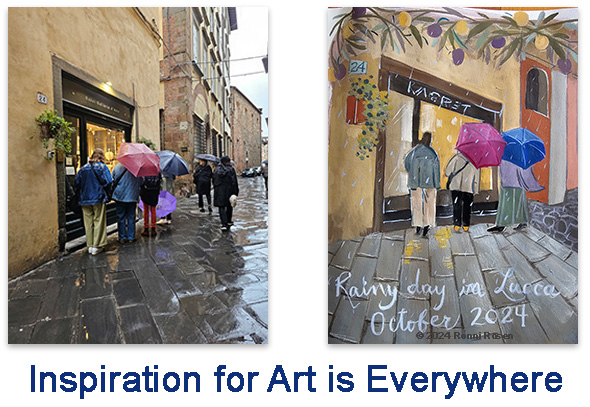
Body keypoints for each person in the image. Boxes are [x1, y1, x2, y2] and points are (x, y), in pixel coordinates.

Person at [487, 160, 544, 233]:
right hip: (511, 178)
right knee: (516, 200)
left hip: (512, 177)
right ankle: (520, 221)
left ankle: (502, 223)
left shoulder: (510, 152)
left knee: (509, 200)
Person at [74, 148, 113, 255]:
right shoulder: (102, 167)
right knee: (98, 221)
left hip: (84, 199)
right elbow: (109, 181)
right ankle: (97, 245)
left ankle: (90, 245)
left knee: (88, 222)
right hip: (98, 198)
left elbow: (76, 183)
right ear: (102, 156)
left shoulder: (83, 168)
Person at [403, 132, 440, 237]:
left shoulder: (414, 152)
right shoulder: (432, 153)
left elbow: (406, 163)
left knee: (416, 203)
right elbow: (436, 169)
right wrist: (437, 184)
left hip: (415, 181)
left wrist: (412, 173)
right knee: (429, 203)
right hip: (430, 182)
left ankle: (418, 224)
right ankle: (427, 224)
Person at [445, 150, 480, 232]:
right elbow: (476, 178)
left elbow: (447, 172)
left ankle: (457, 224)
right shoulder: (475, 162)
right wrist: (475, 190)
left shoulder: (456, 158)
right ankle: (466, 224)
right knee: (467, 206)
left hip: (456, 187)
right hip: (468, 188)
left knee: (457, 205)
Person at [112, 162, 140, 243]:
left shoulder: (117, 167)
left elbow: (112, 180)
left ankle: (122, 237)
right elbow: (141, 181)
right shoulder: (136, 168)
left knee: (121, 217)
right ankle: (131, 237)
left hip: (120, 196)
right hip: (132, 196)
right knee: (131, 216)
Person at [213, 156, 239, 231]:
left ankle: (223, 224)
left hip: (219, 191)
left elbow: (214, 180)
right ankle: (228, 221)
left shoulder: (216, 169)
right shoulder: (231, 170)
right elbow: (234, 181)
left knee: (221, 207)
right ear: (227, 162)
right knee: (229, 205)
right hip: (229, 190)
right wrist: (235, 192)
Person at [140, 172, 162, 237]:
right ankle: (153, 228)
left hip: (146, 192)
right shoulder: (157, 171)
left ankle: (146, 228)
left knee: (146, 210)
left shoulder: (144, 171)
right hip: (154, 191)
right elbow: (160, 182)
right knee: (153, 209)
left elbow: (142, 182)